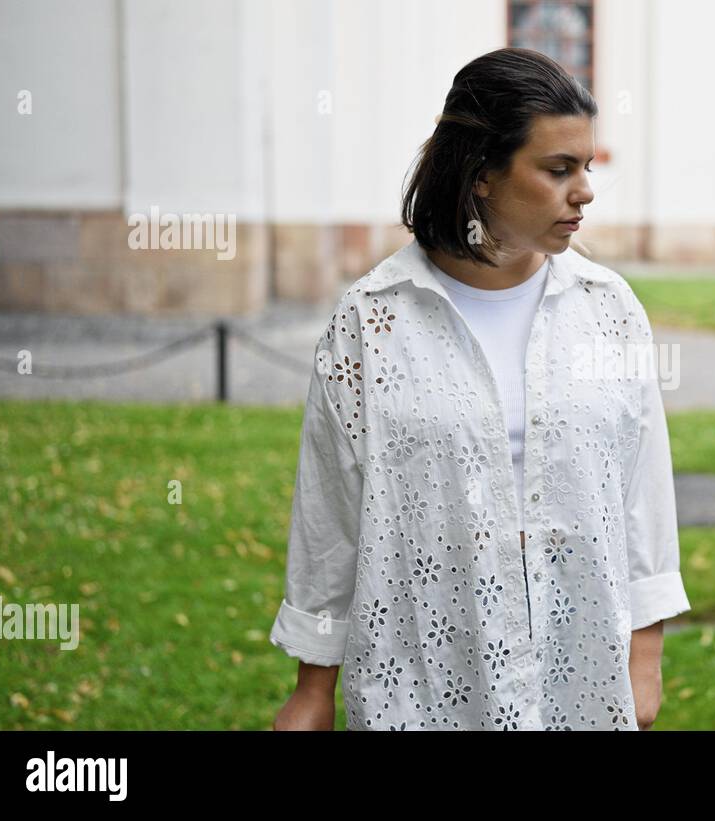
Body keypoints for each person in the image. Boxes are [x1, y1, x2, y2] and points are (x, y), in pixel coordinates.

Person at [270, 47, 691, 730]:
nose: (584, 190)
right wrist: (313, 687)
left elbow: (642, 488)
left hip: (578, 677)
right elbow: (330, 511)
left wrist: (645, 656)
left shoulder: (608, 310)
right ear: (483, 173)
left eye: (587, 167)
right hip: (423, 679)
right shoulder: (372, 321)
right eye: (558, 169)